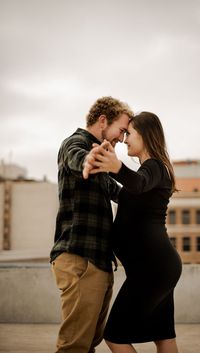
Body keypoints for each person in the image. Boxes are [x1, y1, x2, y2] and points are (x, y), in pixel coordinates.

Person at [83, 111, 182, 353]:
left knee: (115, 335)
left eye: (130, 134)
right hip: (155, 268)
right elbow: (134, 187)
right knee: (164, 336)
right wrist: (105, 170)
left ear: (146, 136)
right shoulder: (147, 172)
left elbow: (138, 184)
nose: (125, 139)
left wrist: (116, 166)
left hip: (152, 269)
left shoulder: (155, 167)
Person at [50, 96, 133, 353]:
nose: (122, 138)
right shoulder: (75, 144)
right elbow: (79, 158)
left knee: (88, 345)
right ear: (102, 120)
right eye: (121, 130)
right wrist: (89, 160)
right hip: (79, 258)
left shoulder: (103, 164)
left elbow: (121, 193)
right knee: (74, 347)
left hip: (98, 261)